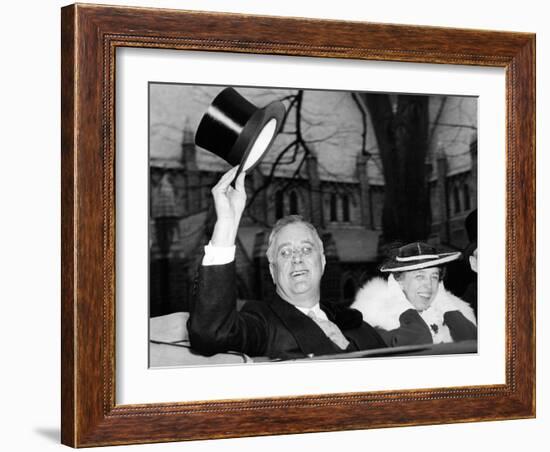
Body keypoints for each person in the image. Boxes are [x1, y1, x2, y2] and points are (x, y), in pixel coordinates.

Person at [187, 167, 386, 359]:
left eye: (307, 249)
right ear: (272, 271)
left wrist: (346, 346)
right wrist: (227, 225)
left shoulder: (356, 324)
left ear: (323, 262)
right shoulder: (263, 324)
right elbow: (210, 333)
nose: (297, 258)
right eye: (285, 252)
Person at [352, 242, 477, 347]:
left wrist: (444, 303)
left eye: (434, 277)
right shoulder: (376, 318)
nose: (429, 285)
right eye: (419, 276)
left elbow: (472, 342)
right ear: (398, 282)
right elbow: (418, 339)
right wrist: (402, 303)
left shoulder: (454, 311)